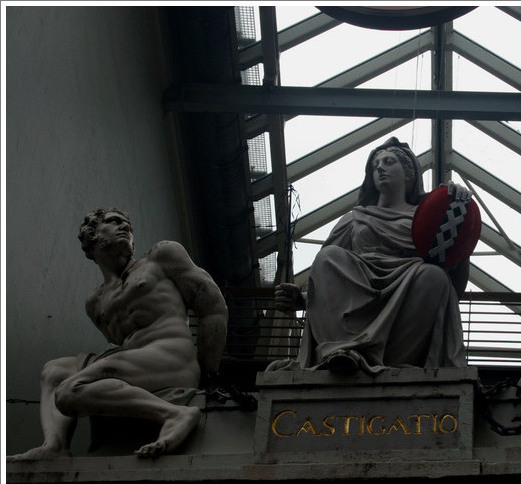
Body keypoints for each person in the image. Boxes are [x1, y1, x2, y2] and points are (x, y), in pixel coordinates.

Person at [8, 207, 228, 461]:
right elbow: (118, 348)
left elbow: (213, 307)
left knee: (69, 391)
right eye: (114, 222)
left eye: (128, 225)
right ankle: (55, 446)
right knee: (54, 371)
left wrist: (209, 374)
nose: (125, 227)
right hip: (132, 362)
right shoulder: (95, 302)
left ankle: (174, 414)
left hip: (172, 358)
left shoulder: (161, 256)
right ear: (91, 236)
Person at [274, 137, 471, 373]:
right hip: (356, 292)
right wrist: (303, 298)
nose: (380, 167)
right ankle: (340, 351)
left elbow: (454, 282)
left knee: (434, 276)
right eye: (375, 164)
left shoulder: (428, 219)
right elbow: (328, 282)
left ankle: (393, 362)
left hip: (407, 292)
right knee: (328, 257)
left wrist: (457, 216)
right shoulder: (354, 219)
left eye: (389, 161)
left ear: (409, 173)